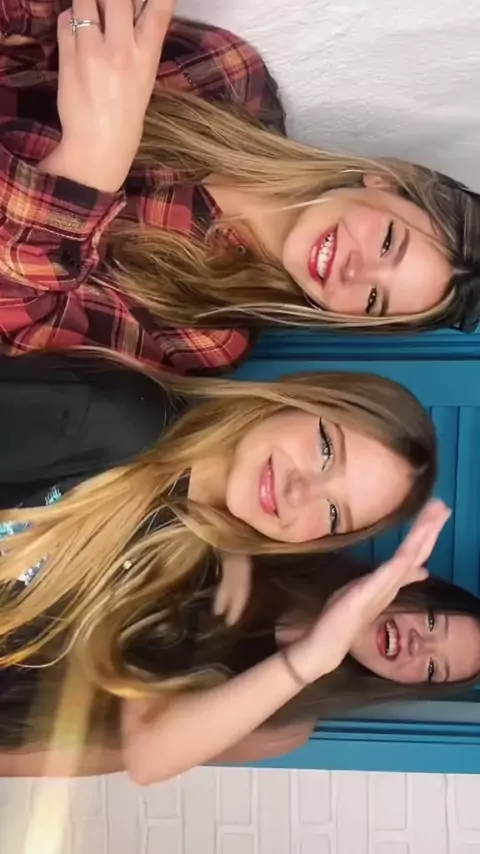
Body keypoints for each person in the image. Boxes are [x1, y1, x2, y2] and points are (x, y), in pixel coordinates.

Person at [0, 3, 479, 383]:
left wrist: (92, 164)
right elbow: (54, 19)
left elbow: (21, 337)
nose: (356, 271)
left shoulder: (210, 334)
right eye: (388, 242)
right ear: (385, 181)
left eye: (374, 299)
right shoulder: (225, 77)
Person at [0, 350, 436, 681]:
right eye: (326, 450)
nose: (300, 491)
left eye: (334, 513)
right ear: (300, 400)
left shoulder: (182, 583)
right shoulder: (124, 418)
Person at [1, 500, 478, 785]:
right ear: (415, 589)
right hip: (36, 581)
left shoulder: (285, 727)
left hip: (30, 691)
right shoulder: (291, 542)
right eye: (432, 622)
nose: (419, 645)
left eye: (433, 668)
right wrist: (230, 549)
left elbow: (122, 756)